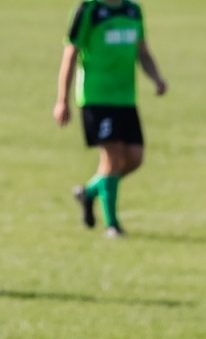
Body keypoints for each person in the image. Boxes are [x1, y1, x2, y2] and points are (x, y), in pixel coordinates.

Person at [54, 0, 167, 238]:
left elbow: (142, 51)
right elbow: (70, 53)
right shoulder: (89, 10)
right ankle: (112, 225)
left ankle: (89, 192)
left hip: (126, 98)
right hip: (96, 97)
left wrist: (156, 77)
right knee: (112, 158)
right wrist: (62, 100)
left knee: (134, 158)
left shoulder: (133, 10)